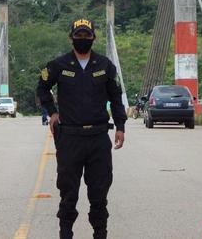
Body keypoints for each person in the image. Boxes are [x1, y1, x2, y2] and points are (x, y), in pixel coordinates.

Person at [36, 18, 127, 239]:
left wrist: (120, 126)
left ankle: (100, 234)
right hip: (69, 138)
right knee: (68, 193)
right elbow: (42, 88)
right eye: (79, 35)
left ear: (94, 38)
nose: (83, 39)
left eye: (87, 35)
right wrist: (52, 112)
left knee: (99, 194)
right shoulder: (58, 65)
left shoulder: (105, 65)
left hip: (98, 137)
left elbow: (116, 98)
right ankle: (65, 233)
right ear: (71, 37)